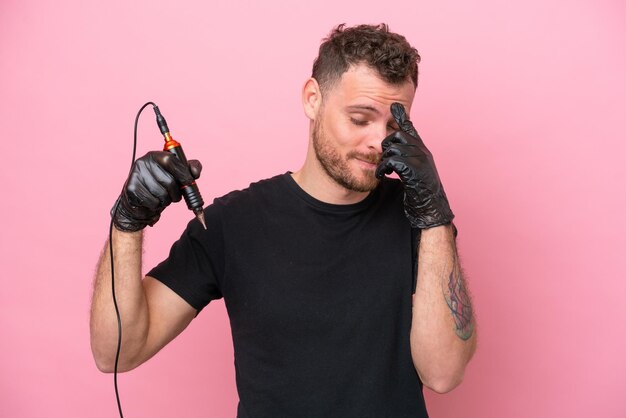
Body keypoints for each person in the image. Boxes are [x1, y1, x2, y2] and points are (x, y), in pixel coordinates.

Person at [90, 23, 477, 417]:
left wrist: (433, 214)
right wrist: (127, 221)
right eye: (360, 119)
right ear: (313, 99)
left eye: (395, 125)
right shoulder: (231, 223)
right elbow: (116, 353)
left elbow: (444, 374)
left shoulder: (422, 219)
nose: (378, 142)